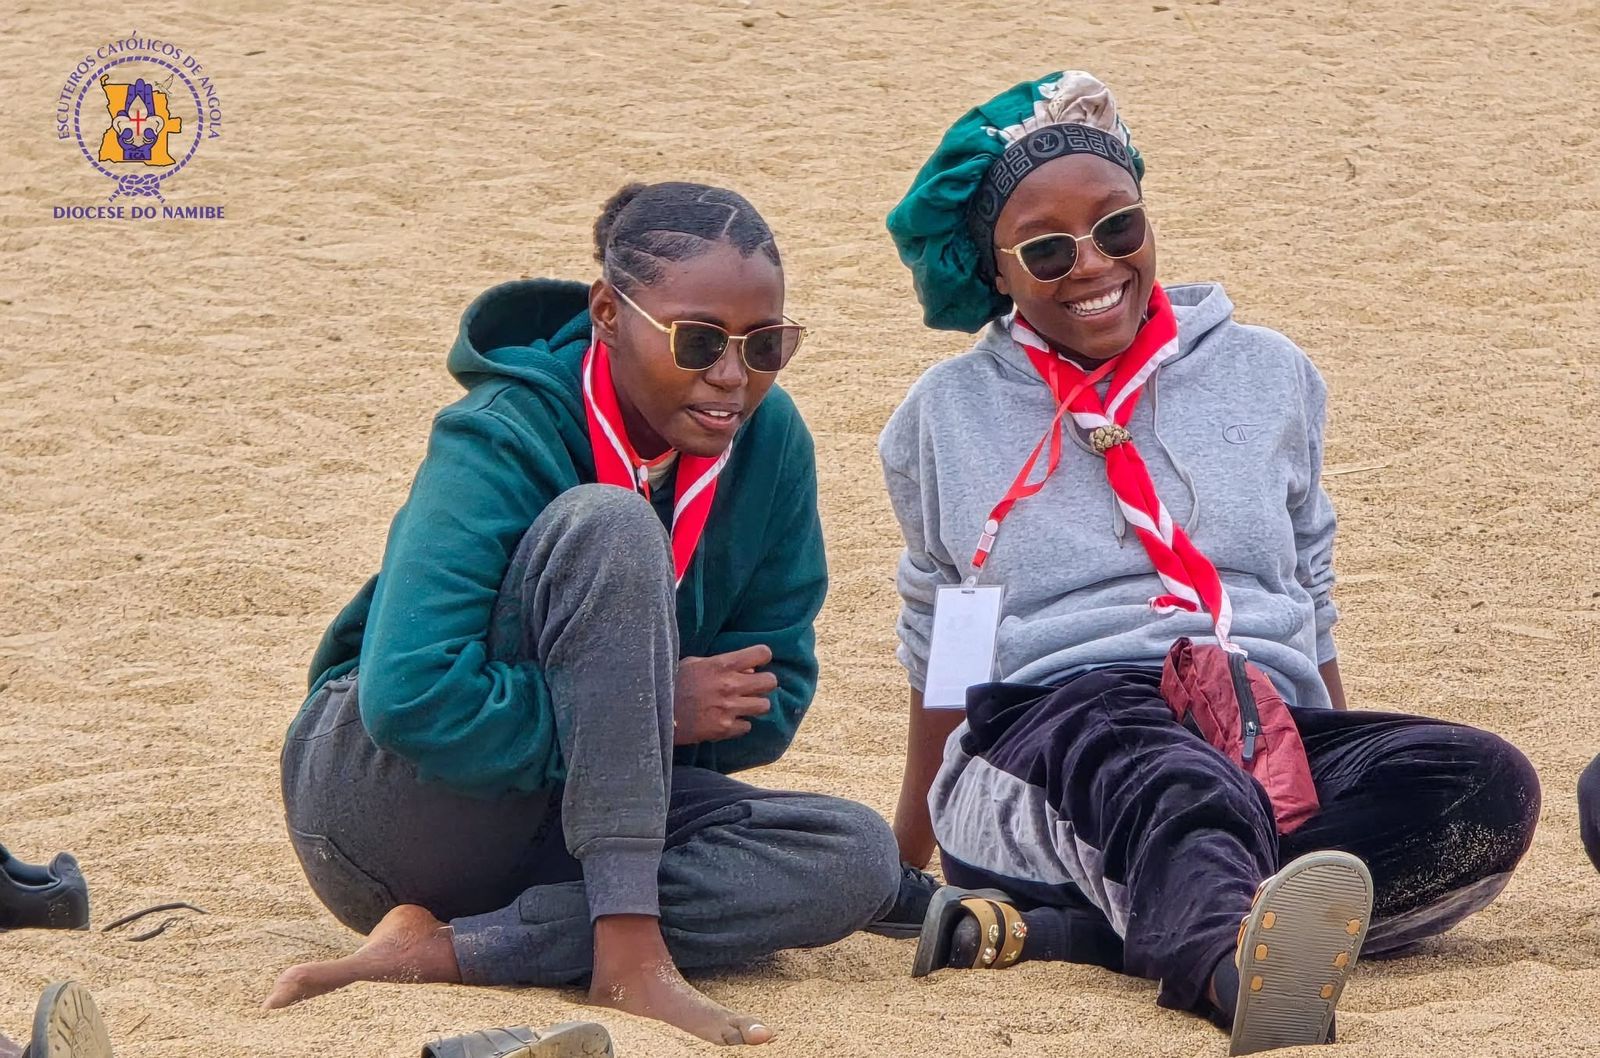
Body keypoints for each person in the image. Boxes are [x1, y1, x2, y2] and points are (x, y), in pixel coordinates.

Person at [879, 71, 1540, 1052]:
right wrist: (909, 856)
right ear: (998, 272)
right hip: (1054, 733)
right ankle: (1235, 978)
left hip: (1249, 716)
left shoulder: (1270, 372)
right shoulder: (944, 414)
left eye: (1117, 227)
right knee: (1167, 771)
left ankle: (1085, 933)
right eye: (1047, 249)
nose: (1093, 264)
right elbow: (948, 627)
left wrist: (1322, 740)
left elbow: (1305, 586)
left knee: (1480, 783)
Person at [264, 181, 907, 1046]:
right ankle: (627, 956)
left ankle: (457, 949)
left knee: (855, 857)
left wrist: (637, 716)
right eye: (699, 340)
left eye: (766, 345)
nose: (732, 376)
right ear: (608, 313)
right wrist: (649, 708)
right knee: (611, 523)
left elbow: (771, 699)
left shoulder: (770, 440)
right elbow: (412, 696)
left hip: (571, 828)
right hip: (391, 806)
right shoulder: (503, 428)